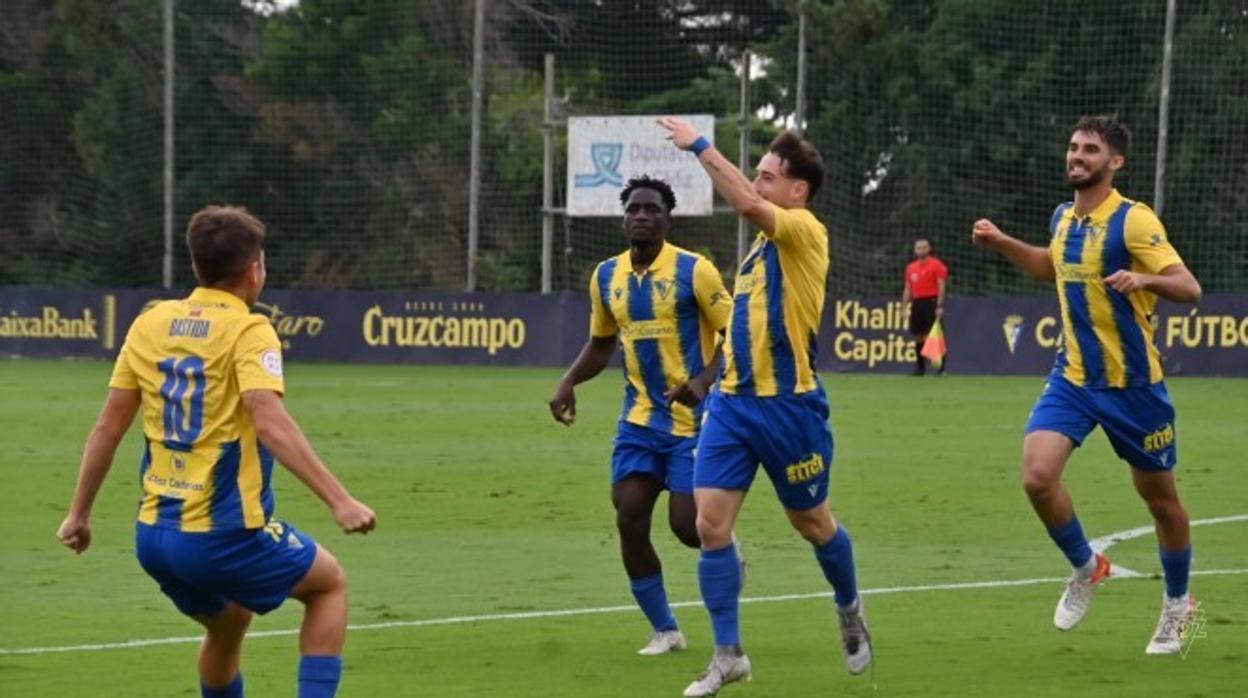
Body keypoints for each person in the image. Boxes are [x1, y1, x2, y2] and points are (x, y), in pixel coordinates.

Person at [56, 206, 377, 697]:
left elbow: (107, 426)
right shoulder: (249, 329)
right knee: (328, 586)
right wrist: (341, 500)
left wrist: (78, 514)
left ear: (196, 266)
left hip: (154, 538)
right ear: (254, 271)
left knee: (229, 624)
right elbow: (267, 418)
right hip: (221, 535)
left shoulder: (151, 322)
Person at [972, 115, 1202, 654]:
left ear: (1114, 162)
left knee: (1161, 502)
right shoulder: (1062, 218)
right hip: (1073, 376)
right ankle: (1087, 566)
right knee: (1037, 476)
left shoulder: (1134, 221)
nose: (1076, 156)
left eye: (1090, 150)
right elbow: (1050, 269)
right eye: (1073, 147)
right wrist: (1004, 241)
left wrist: (1144, 278)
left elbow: (1188, 287)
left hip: (1134, 386)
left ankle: (1180, 606)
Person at [657, 119, 871, 697]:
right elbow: (742, 326)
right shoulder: (755, 256)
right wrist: (709, 380)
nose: (759, 182)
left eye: (769, 175)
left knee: (813, 523)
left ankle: (849, 606)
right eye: (758, 174)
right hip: (732, 407)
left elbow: (749, 205)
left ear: (798, 189)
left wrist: (700, 146)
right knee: (709, 523)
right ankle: (728, 654)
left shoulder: (804, 230)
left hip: (789, 410)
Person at [549, 176, 731, 656]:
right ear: (623, 217)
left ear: (667, 219)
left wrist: (703, 381)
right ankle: (666, 630)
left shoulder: (696, 271)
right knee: (629, 517)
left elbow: (737, 338)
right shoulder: (606, 277)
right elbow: (602, 342)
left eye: (651, 209)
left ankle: (725, 549)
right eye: (633, 208)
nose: (641, 215)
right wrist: (568, 380)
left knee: (689, 529)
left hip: (694, 424)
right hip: (639, 422)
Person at [901, 237, 949, 375]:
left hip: (931, 302)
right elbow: (907, 289)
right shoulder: (910, 268)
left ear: (929, 249)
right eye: (918, 248)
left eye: (924, 247)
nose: (921, 250)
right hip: (917, 303)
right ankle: (920, 368)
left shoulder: (937, 265)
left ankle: (941, 368)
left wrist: (939, 305)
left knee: (935, 334)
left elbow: (941, 286)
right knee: (918, 335)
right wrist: (904, 307)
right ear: (915, 250)